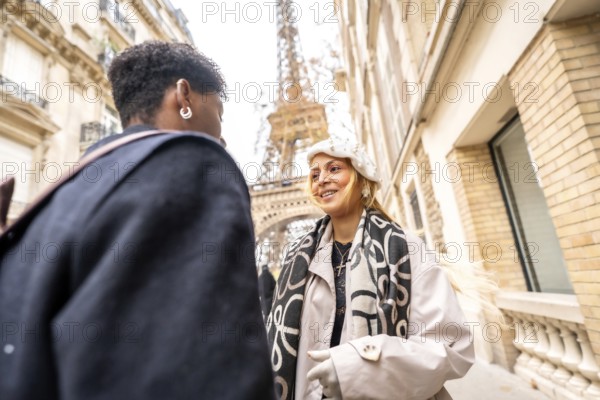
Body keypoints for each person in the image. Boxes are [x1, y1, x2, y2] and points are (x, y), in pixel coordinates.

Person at [0, 41, 275, 400]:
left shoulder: (62, 198)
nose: (221, 135)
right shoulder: (191, 165)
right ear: (184, 96)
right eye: (219, 113)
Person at [266, 137, 475, 400]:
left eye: (334, 169)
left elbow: (451, 345)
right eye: (315, 174)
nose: (321, 180)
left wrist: (359, 368)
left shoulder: (406, 249)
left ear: (362, 178)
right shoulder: (297, 258)